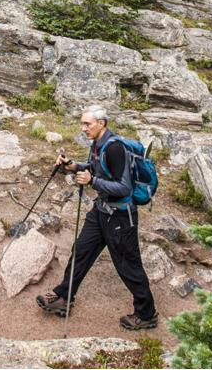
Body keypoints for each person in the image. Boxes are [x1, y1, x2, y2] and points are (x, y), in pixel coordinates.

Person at [36, 107, 158, 330]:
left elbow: (123, 187)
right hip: (101, 211)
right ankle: (64, 297)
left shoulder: (114, 148)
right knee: (81, 251)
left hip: (121, 216)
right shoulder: (98, 144)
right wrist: (72, 166)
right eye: (82, 124)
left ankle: (146, 313)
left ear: (101, 123)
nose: (83, 129)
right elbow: (95, 168)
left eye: (87, 124)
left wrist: (92, 182)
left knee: (128, 266)